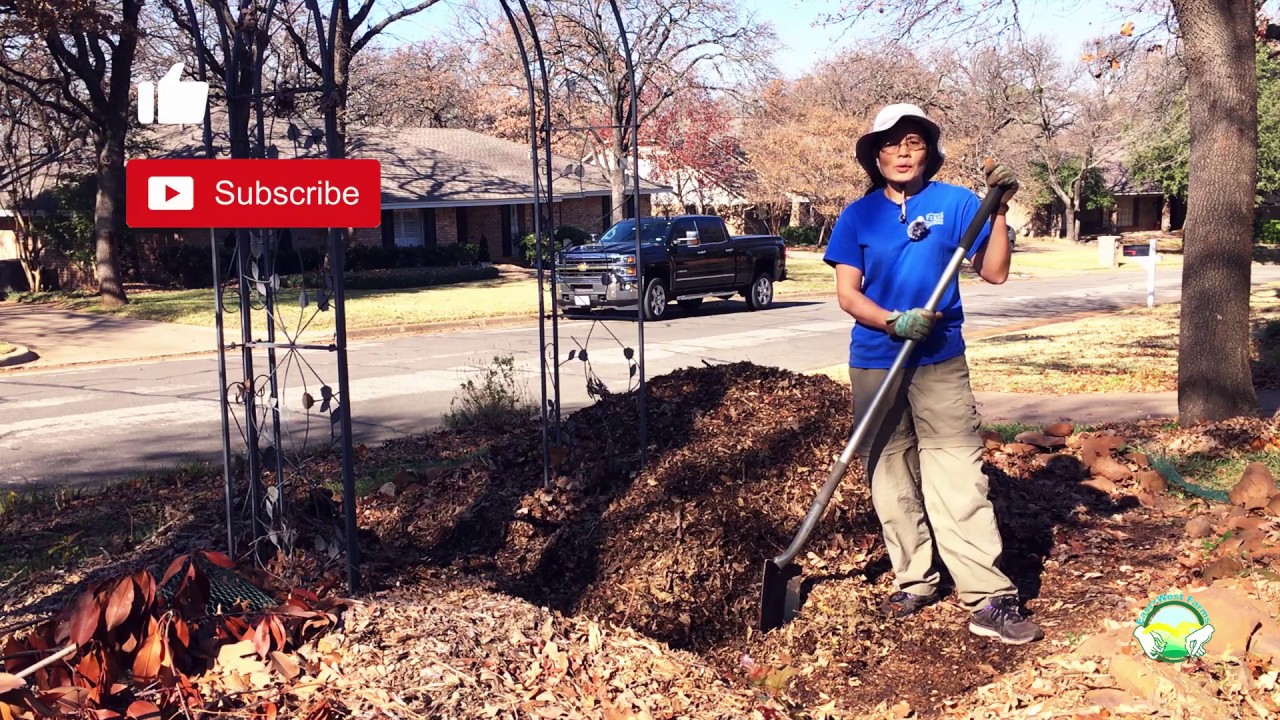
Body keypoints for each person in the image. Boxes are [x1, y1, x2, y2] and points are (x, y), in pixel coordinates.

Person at [822, 102, 1043, 645]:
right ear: (874, 155)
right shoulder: (858, 216)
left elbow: (993, 272)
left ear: (929, 152)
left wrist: (997, 212)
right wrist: (895, 321)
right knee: (890, 474)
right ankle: (915, 578)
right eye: (891, 144)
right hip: (876, 359)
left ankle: (987, 597)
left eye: (914, 142)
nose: (902, 152)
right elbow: (848, 295)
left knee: (957, 474)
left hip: (940, 359)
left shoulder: (956, 202)